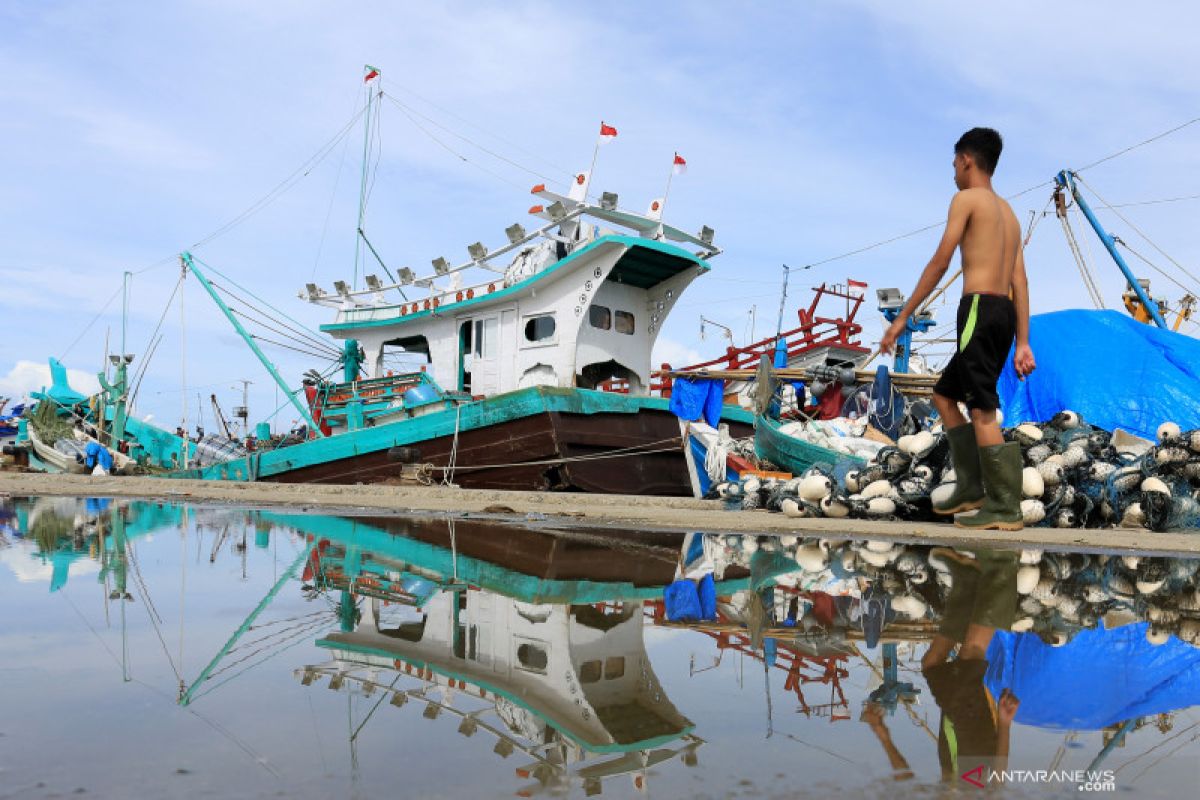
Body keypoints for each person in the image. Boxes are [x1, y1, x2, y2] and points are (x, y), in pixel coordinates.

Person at [881, 127, 1036, 530]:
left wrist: (902, 317)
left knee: (981, 407)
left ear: (967, 159)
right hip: (1003, 313)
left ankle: (1003, 506)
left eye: (954, 164)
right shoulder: (1010, 215)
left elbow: (940, 262)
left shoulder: (966, 199)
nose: (953, 172)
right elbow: (1020, 281)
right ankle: (972, 487)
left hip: (979, 309)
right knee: (943, 394)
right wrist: (1023, 342)